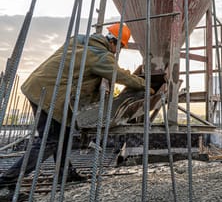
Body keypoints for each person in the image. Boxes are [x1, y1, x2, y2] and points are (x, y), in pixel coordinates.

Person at [0, 23, 151, 191]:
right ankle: (8, 179)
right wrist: (146, 85)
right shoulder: (102, 56)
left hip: (38, 86)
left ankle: (65, 173)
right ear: (114, 42)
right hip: (51, 95)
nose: (117, 52)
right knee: (49, 141)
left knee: (61, 136)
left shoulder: (80, 41)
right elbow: (121, 75)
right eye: (120, 47)